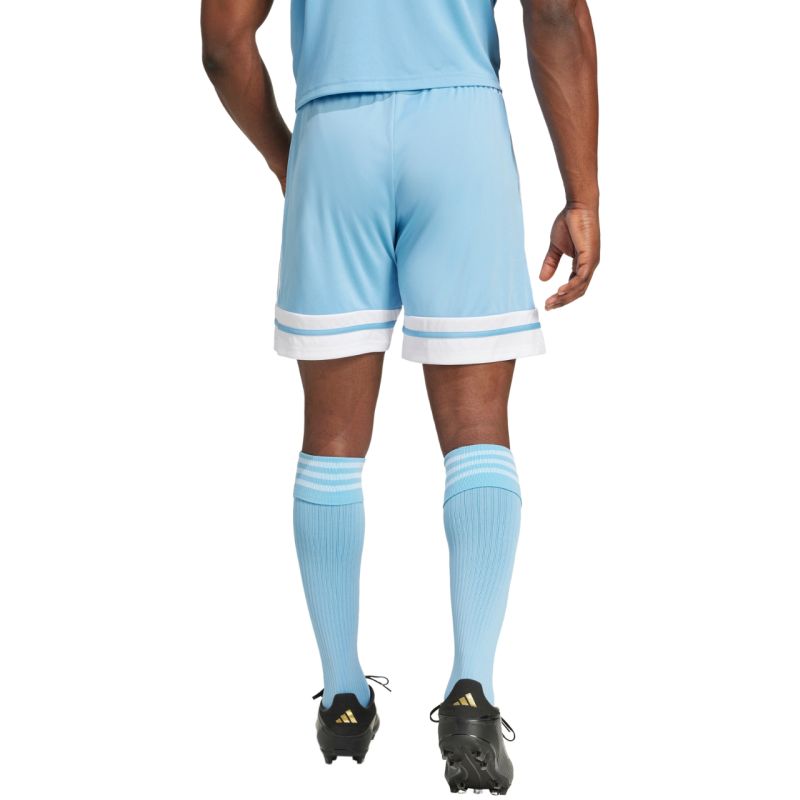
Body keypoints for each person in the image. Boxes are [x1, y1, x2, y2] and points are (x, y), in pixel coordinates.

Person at [201, 0, 599, 791]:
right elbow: (556, 12)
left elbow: (223, 42)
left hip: (334, 131)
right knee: (478, 428)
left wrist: (293, 160)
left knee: (331, 441)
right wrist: (581, 194)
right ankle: (471, 691)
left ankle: (343, 699)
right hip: (461, 128)